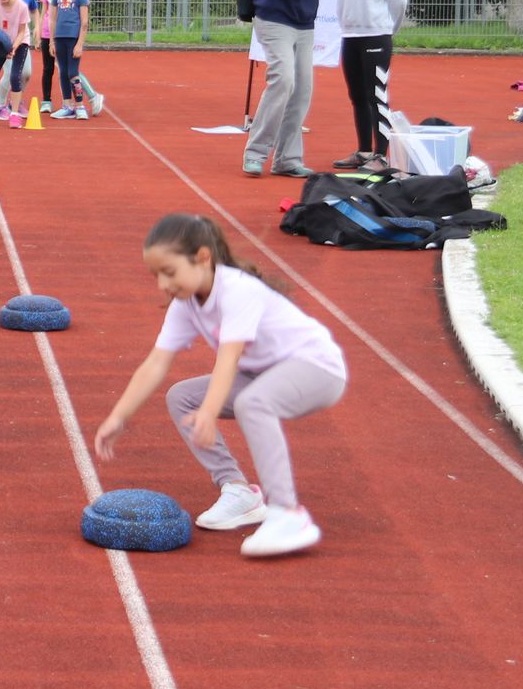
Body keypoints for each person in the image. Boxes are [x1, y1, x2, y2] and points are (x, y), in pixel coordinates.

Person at [92, 212, 345, 557]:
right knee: (182, 397)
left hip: (317, 369)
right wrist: (118, 417)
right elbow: (156, 363)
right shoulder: (185, 303)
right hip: (261, 375)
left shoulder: (237, 290)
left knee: (252, 402)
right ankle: (238, 490)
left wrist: (210, 412)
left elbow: (229, 356)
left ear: (202, 258)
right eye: (156, 275)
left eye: (169, 272)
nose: (162, 284)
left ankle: (288, 513)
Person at [244, 0, 337, 178]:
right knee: (283, 80)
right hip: (276, 20)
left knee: (302, 90)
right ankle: (255, 152)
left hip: (303, 23)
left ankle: (287, 159)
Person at [332, 0, 407, 171]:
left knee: (376, 95)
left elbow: (398, 0)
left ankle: (381, 155)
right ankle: (364, 151)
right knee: (357, 95)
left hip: (376, 36)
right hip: (350, 36)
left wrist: (389, 29)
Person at [44, 0, 93, 119]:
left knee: (73, 72)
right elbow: (52, 19)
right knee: (63, 72)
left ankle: (80, 105)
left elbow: (84, 22)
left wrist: (80, 44)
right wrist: (51, 41)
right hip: (59, 38)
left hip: (73, 38)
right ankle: (67, 105)